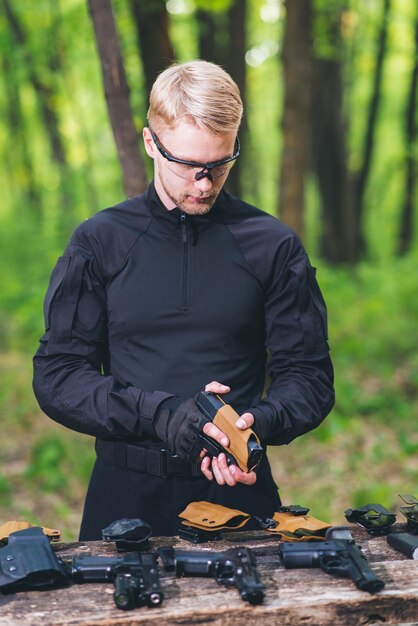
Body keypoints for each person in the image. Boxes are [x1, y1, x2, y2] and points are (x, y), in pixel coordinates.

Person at [33, 60, 334, 540]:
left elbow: (309, 377)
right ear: (151, 142)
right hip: (124, 494)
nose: (204, 183)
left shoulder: (271, 245)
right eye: (189, 165)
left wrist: (260, 423)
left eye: (220, 164)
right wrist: (160, 414)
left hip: (239, 494)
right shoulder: (100, 241)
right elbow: (58, 375)